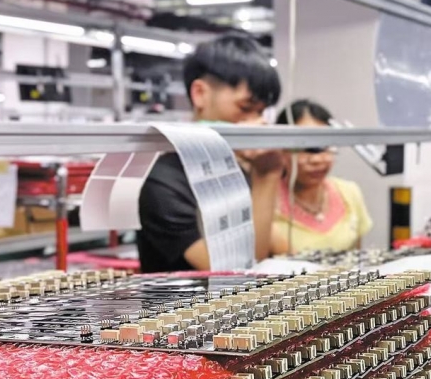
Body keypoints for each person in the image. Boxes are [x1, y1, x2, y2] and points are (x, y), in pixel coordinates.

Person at [138, 34, 283, 272]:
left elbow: (267, 246)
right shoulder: (163, 182)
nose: (256, 122)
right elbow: (238, 272)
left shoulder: (238, 169)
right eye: (245, 108)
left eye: (261, 112)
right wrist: (267, 177)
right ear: (200, 94)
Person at [270, 99, 372, 254]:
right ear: (282, 150)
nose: (317, 159)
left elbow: (357, 259)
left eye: (324, 146)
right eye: (305, 148)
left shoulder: (349, 194)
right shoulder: (267, 204)